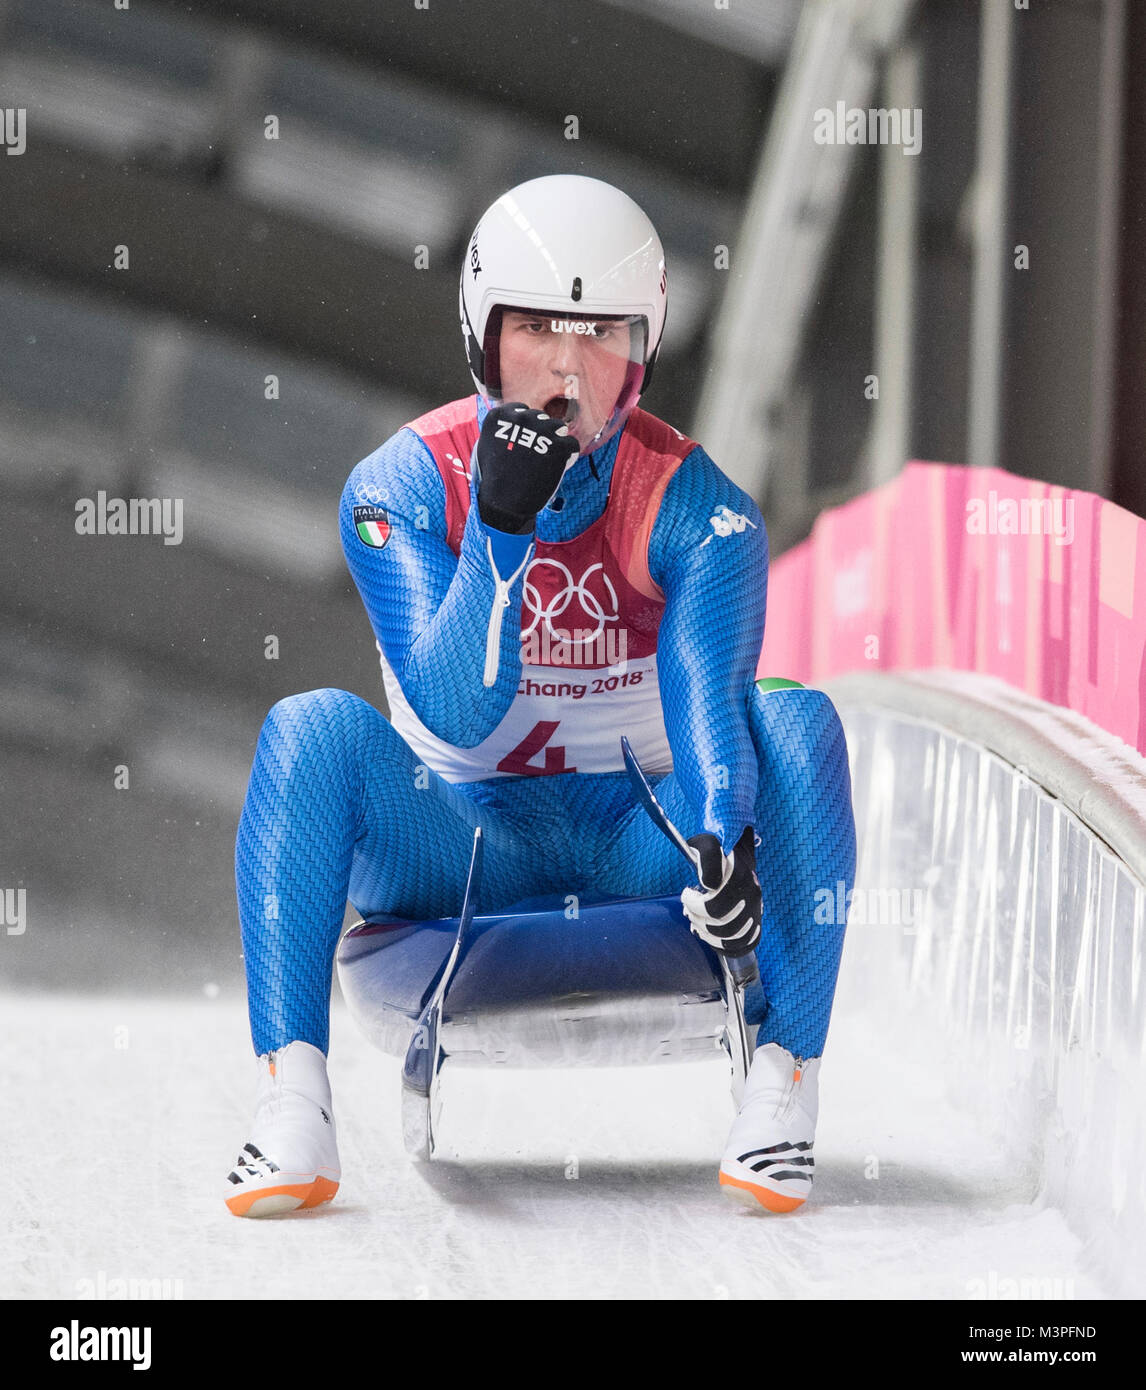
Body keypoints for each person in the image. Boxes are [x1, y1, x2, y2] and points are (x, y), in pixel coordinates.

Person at [224, 174, 856, 1219]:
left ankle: (787, 1079)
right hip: (458, 838)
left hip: (639, 834)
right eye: (539, 332)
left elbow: (712, 698)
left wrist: (720, 830)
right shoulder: (399, 487)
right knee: (312, 729)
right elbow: (453, 711)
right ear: (485, 338)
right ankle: (290, 1100)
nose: (568, 370)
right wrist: (501, 535)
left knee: (796, 716)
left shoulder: (702, 511)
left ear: (641, 354)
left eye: (600, 333)